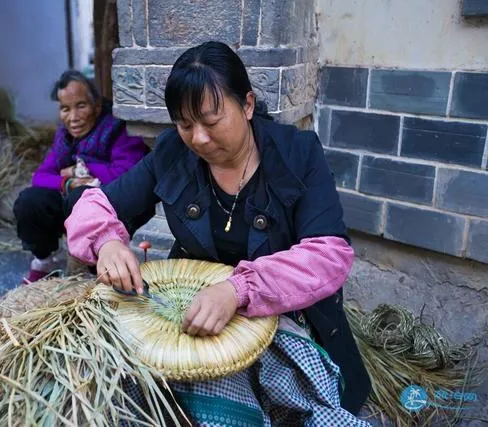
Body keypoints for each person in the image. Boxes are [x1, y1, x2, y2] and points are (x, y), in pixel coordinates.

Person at [64, 42, 372, 425]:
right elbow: (96, 206)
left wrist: (237, 290)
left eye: (211, 121)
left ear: (246, 104)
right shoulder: (173, 152)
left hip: (279, 312)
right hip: (194, 317)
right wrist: (108, 242)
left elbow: (328, 255)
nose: (199, 139)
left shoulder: (297, 154)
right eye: (185, 124)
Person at [13, 70, 152, 283]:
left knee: (82, 196)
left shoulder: (118, 129)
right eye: (65, 109)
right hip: (75, 207)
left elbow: (125, 175)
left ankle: (98, 267)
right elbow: (40, 177)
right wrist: (67, 180)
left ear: (97, 105)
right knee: (30, 200)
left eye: (81, 106)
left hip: (113, 211)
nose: (73, 117)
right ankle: (44, 261)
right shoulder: (65, 138)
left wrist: (84, 168)